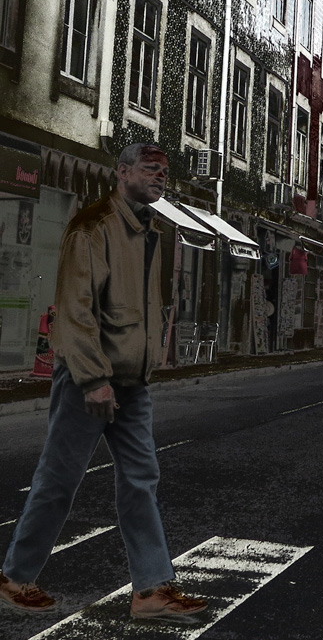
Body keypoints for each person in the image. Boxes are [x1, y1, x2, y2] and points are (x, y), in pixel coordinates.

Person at [0, 144, 208, 623]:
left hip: (132, 383)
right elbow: (74, 312)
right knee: (59, 480)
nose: (161, 178)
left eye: (164, 171)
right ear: (122, 172)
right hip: (88, 379)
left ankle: (152, 590)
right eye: (151, 169)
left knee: (141, 479)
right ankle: (14, 577)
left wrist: (144, 365)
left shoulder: (145, 231)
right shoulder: (93, 227)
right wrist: (93, 379)